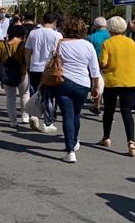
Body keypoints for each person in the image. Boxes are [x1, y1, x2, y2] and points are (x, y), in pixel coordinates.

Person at [51, 18, 101, 163]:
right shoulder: (88, 45)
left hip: (63, 82)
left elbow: (52, 61)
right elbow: (94, 69)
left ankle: (70, 150)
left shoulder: (60, 43)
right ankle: (75, 140)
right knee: (76, 114)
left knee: (67, 115)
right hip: (83, 84)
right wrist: (96, 86)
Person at [99, 16, 135, 157]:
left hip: (111, 81)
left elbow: (103, 63)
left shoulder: (107, 43)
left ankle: (106, 137)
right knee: (126, 111)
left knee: (109, 110)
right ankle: (131, 142)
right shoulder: (132, 43)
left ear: (110, 28)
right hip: (130, 81)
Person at [24, 12, 62, 133]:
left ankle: (34, 115)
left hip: (35, 66)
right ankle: (48, 122)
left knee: (34, 92)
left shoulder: (33, 33)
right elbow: (59, 53)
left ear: (42, 20)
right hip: (49, 69)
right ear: (54, 21)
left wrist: (28, 66)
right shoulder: (57, 35)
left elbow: (27, 51)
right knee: (49, 95)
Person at [0, 25, 29, 127]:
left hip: (7, 74)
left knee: (10, 97)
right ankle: (25, 116)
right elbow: (27, 59)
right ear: (22, 35)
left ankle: (13, 121)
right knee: (24, 94)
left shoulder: (1, 45)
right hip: (22, 72)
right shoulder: (23, 45)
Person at [86, 17, 110, 115]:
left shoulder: (91, 37)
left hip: (97, 64)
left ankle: (97, 105)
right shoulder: (111, 35)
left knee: (98, 86)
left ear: (95, 26)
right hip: (110, 65)